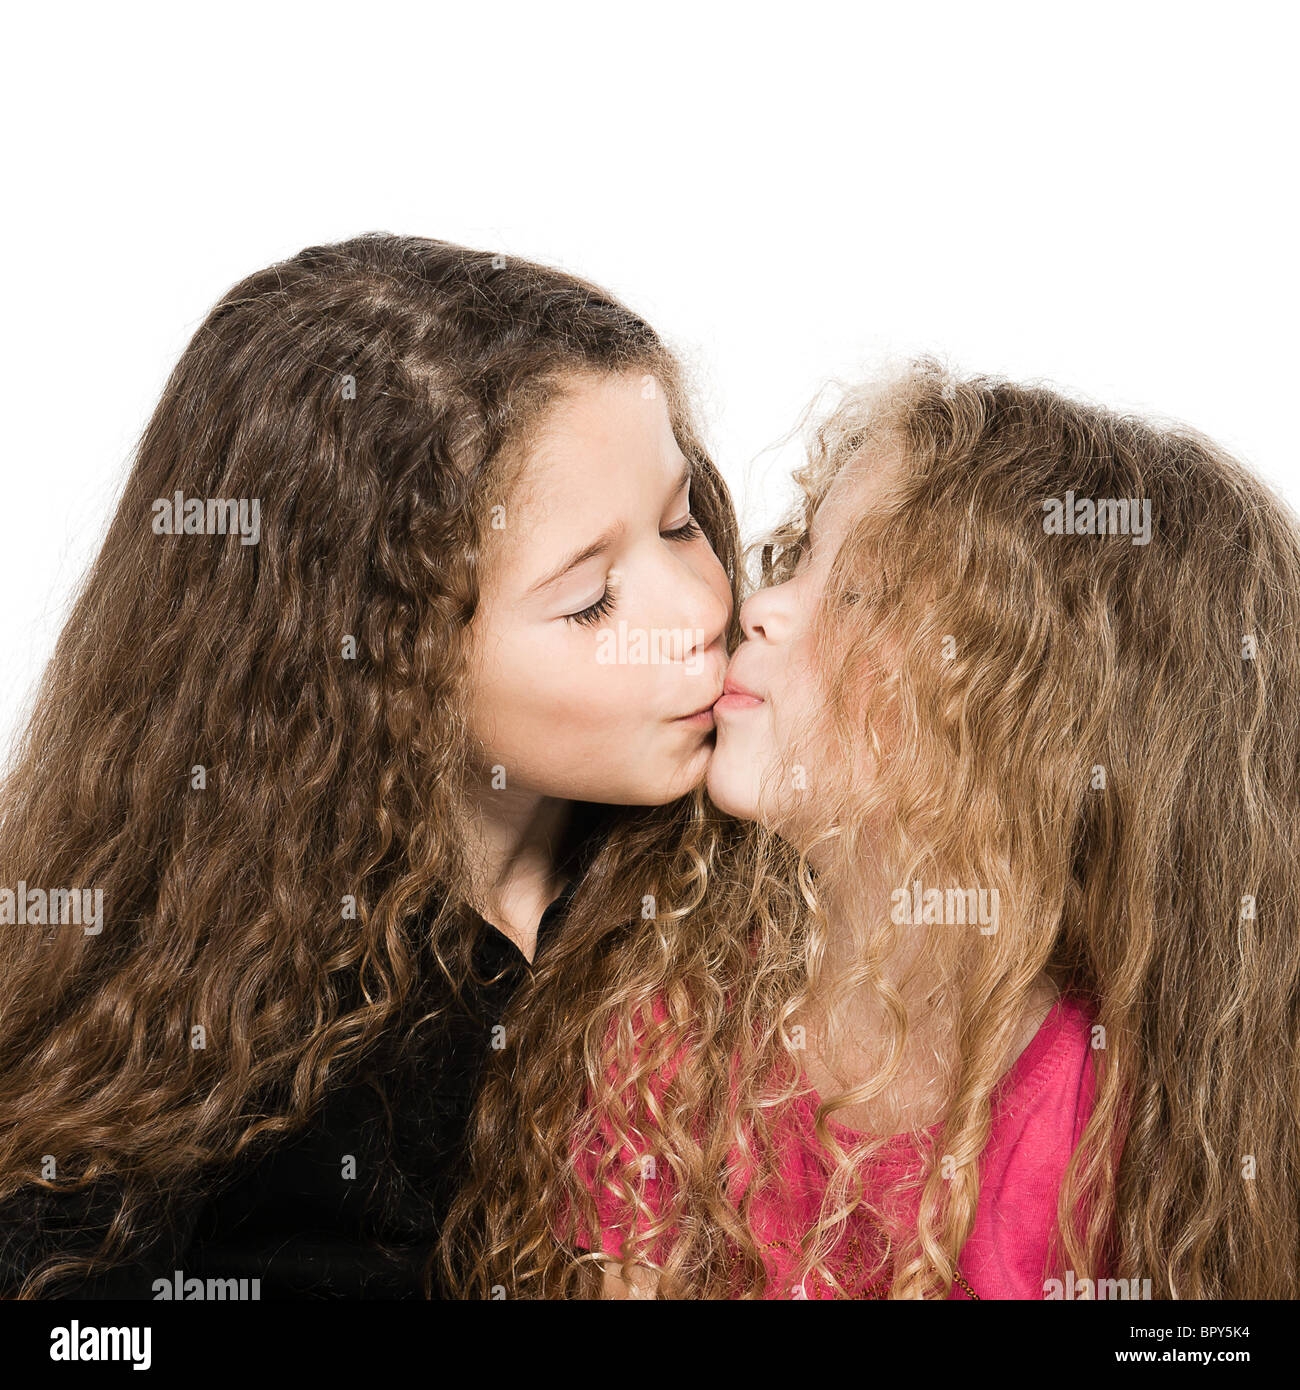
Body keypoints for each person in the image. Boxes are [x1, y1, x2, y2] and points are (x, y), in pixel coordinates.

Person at [451, 358, 1300, 1300]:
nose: (759, 608)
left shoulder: (1115, 1127)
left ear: (1019, 737)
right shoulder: (668, 1024)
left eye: (857, 598)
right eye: (802, 557)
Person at [0, 233, 744, 1298]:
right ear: (384, 659)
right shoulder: (240, 1087)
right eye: (589, 600)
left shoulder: (749, 856)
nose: (700, 615)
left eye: (680, 524)